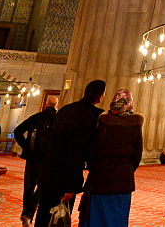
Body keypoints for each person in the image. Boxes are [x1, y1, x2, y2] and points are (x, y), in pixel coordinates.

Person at [35, 80, 106, 227]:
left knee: (43, 216)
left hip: (48, 173)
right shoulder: (86, 117)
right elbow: (75, 154)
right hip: (62, 179)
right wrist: (70, 187)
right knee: (58, 218)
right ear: (100, 97)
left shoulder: (66, 110)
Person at [79, 89, 143, 227]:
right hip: (123, 181)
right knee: (117, 218)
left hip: (101, 178)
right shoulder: (135, 125)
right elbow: (137, 156)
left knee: (97, 216)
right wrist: (127, 169)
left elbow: (93, 151)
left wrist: (95, 167)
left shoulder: (103, 123)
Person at [16, 95, 59, 227]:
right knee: (42, 187)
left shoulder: (36, 117)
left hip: (31, 158)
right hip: (45, 160)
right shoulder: (56, 119)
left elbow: (18, 131)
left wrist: (26, 146)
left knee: (28, 187)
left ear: (46, 104)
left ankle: (26, 215)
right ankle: (29, 213)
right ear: (56, 105)